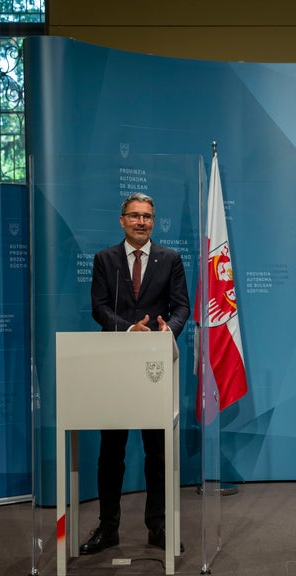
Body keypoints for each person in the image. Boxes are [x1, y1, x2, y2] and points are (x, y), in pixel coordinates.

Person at [80, 192, 191, 555]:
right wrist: (130, 329)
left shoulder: (170, 259)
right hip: (115, 364)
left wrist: (167, 330)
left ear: (153, 222)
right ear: (122, 220)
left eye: (147, 216)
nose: (141, 222)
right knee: (111, 452)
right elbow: (98, 307)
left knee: (157, 451)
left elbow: (182, 307)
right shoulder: (105, 259)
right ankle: (108, 528)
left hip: (154, 366)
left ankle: (158, 527)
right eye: (135, 215)